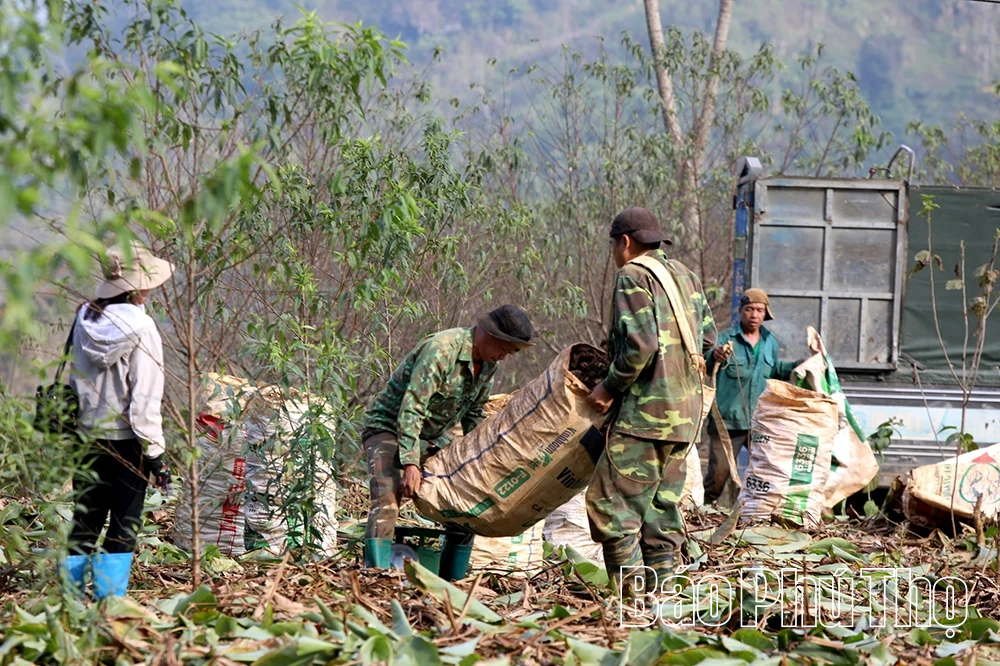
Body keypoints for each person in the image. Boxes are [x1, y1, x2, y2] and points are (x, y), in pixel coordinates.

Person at [585, 207, 717, 599]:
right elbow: (708, 342)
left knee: (612, 506)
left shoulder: (633, 275)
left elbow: (639, 346)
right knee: (662, 511)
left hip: (645, 417)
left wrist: (608, 387)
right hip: (686, 419)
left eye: (614, 246)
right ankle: (663, 600)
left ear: (624, 243)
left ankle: (628, 601)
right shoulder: (685, 276)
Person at [360, 305, 534, 576]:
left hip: (431, 438)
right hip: (389, 429)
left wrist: (482, 459)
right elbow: (412, 407)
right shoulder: (442, 350)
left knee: (464, 503)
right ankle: (376, 577)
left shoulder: (487, 365)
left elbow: (474, 414)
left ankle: (452, 580)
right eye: (505, 348)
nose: (503, 357)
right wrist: (410, 464)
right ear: (489, 334)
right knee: (387, 502)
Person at [59, 243, 173, 600]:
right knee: (123, 525)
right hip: (126, 441)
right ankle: (110, 607)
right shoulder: (144, 328)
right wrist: (155, 453)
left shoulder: (85, 317)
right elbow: (144, 399)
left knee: (85, 520)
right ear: (138, 287)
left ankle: (69, 602)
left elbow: (76, 379)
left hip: (85, 437)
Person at [703, 288, 802, 506]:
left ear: (766, 313)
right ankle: (703, 511)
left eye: (759, 310)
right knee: (718, 476)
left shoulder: (769, 342)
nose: (754, 315)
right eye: (749, 309)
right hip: (727, 422)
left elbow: (775, 371)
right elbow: (705, 362)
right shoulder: (726, 339)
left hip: (759, 423)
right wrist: (714, 355)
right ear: (740, 311)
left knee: (766, 473)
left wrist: (799, 366)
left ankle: (757, 513)